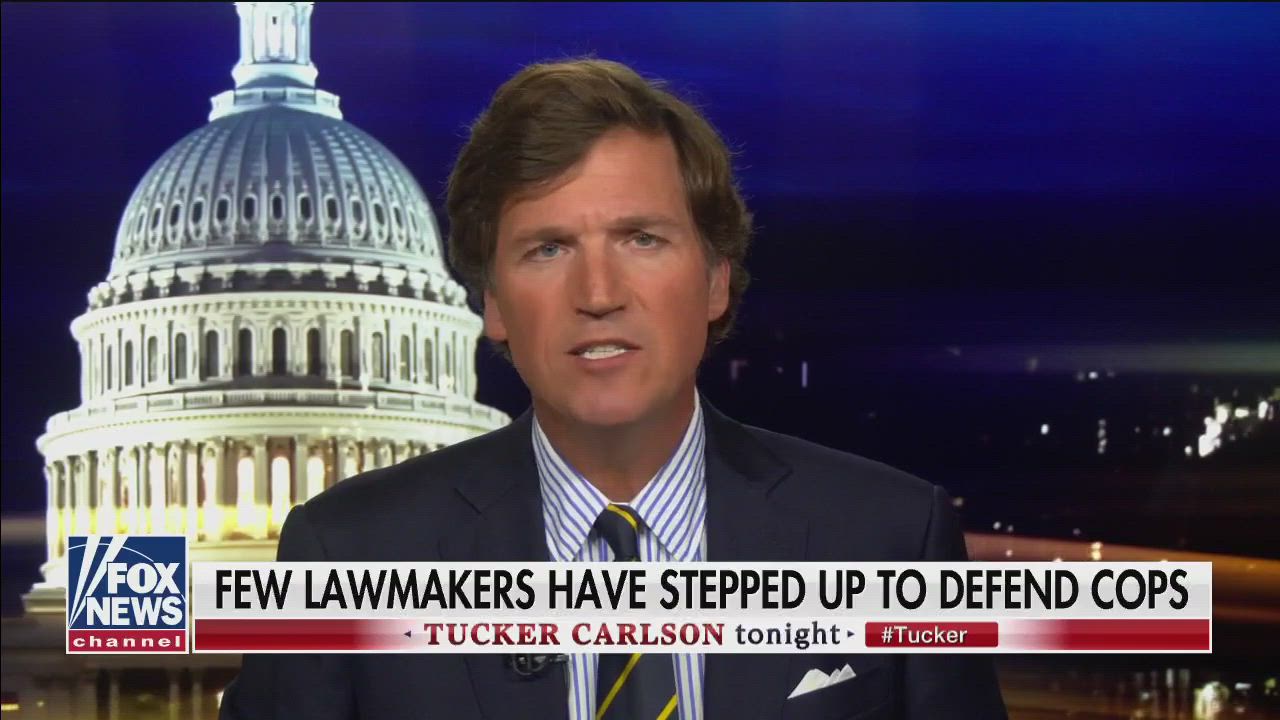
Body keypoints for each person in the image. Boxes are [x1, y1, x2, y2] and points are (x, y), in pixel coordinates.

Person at [219, 58, 1008, 720]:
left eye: (642, 238)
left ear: (715, 280)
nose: (598, 293)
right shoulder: (344, 557)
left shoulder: (890, 537)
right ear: (493, 304)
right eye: (548, 248)